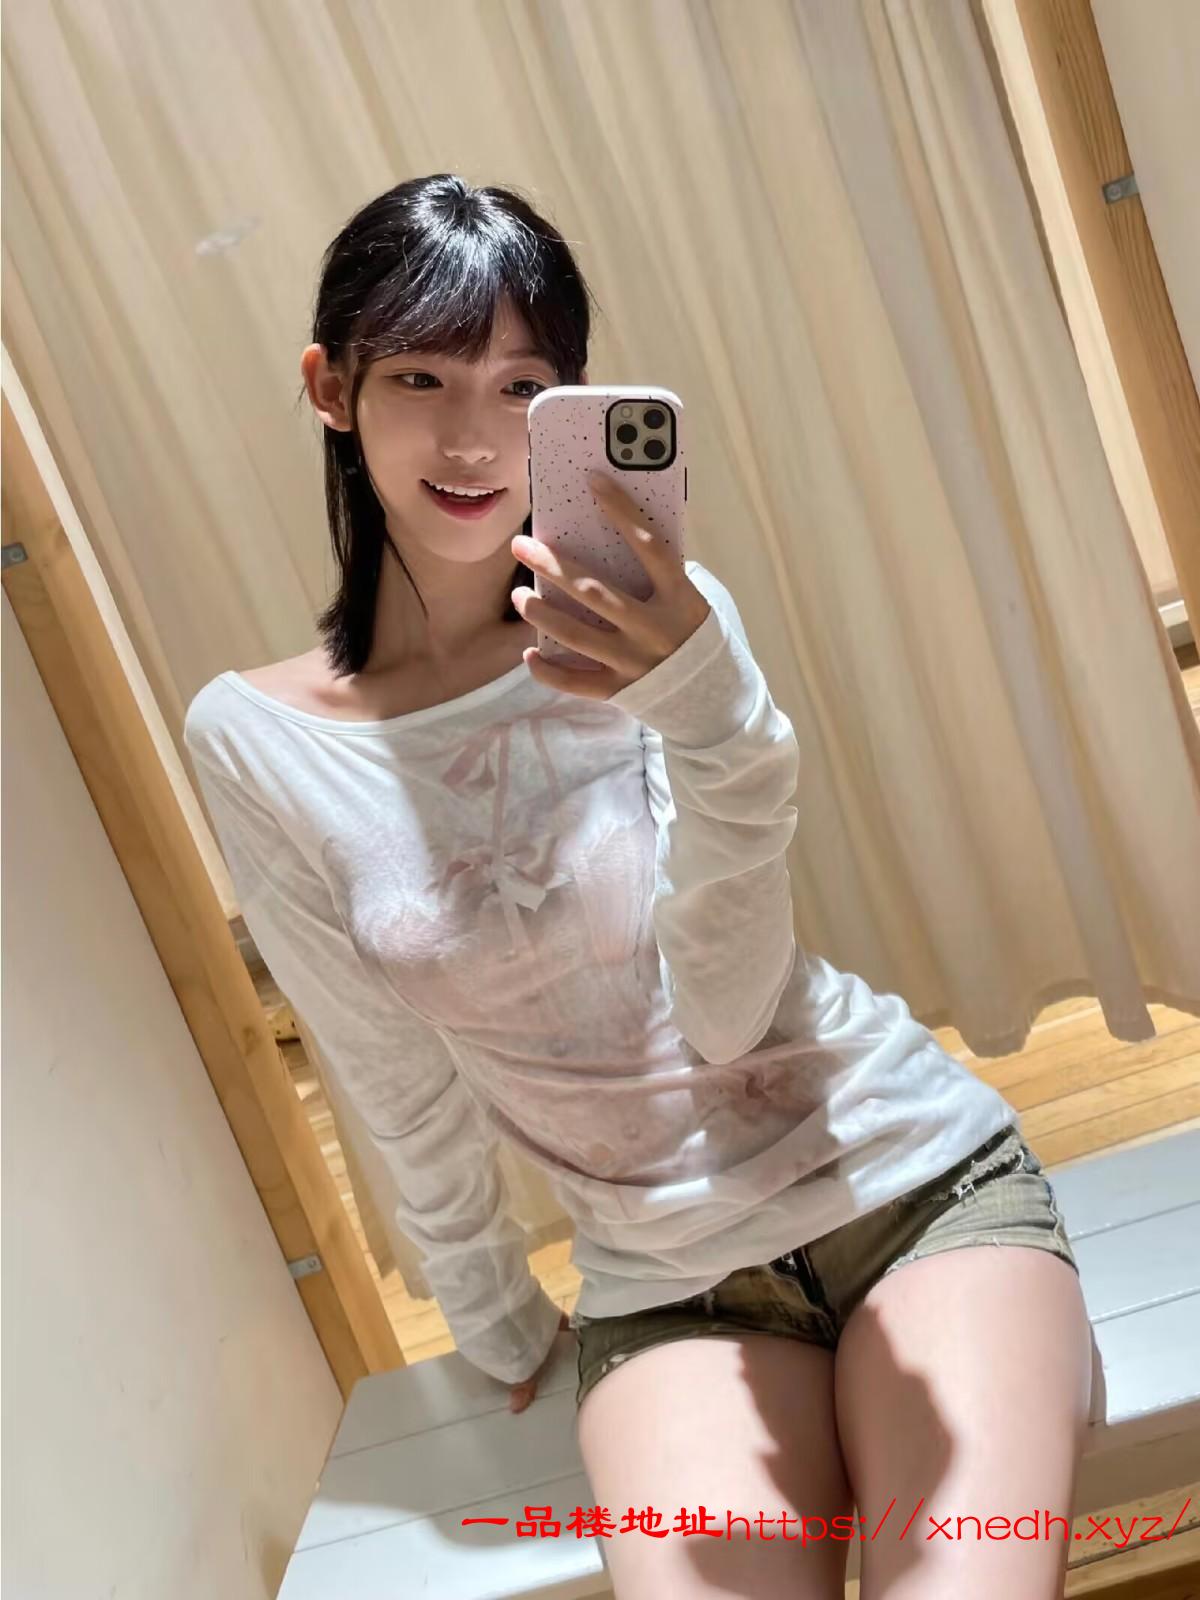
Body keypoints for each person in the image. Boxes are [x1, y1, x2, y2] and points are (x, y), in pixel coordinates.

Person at [184, 174, 1093, 1598]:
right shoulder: (257, 739)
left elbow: (726, 1010)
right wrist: (492, 1313)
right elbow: (382, 1062)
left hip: (908, 1188)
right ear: (329, 388)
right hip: (667, 1289)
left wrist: (716, 718)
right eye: (421, 377)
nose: (474, 437)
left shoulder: (664, 628)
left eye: (521, 386)